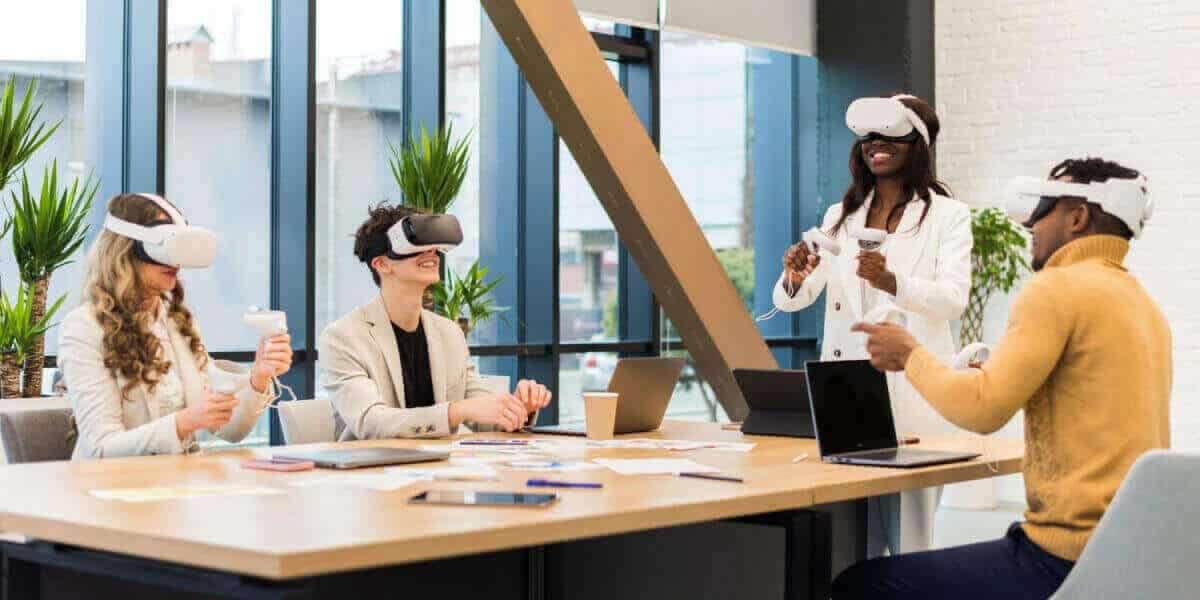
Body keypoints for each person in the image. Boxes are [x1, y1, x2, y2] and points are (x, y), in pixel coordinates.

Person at [839, 158, 1171, 599]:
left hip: (1063, 560)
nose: (1030, 223)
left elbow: (982, 410)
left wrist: (909, 354)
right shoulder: (1144, 305)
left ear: (1077, 218)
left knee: (861, 584)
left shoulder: (1057, 288)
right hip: (1129, 561)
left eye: (1044, 208)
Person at [773, 93, 972, 553]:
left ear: (917, 144)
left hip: (911, 392)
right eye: (868, 137)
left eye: (889, 135)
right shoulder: (839, 216)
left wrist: (892, 281)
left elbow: (953, 299)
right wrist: (793, 278)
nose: (875, 144)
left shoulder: (948, 216)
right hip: (847, 392)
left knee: (909, 541)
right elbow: (795, 299)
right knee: (849, 538)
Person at [59, 194, 294, 459]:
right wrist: (183, 423)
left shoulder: (177, 321)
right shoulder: (83, 328)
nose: (176, 262)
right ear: (125, 250)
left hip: (182, 479)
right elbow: (101, 448)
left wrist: (258, 377)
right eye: (166, 246)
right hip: (116, 481)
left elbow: (230, 430)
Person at [320, 203, 551, 440]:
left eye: (432, 245)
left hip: (441, 462)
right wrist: (455, 412)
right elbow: (372, 423)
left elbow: (480, 416)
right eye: (416, 245)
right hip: (374, 463)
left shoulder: (449, 332)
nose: (431, 252)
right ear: (382, 264)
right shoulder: (343, 338)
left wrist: (518, 408)